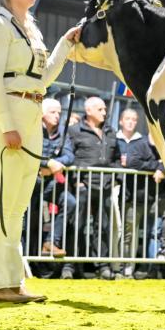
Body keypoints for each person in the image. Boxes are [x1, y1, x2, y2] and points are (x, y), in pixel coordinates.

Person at [0, 0, 79, 303]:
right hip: (7, 118)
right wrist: (7, 126)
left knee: (17, 206)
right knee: (2, 203)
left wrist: (63, 44)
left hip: (31, 113)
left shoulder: (31, 29)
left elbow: (42, 79)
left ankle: (12, 280)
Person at [69, 96, 121, 280]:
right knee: (77, 225)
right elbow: (70, 156)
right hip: (83, 185)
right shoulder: (75, 131)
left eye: (105, 109)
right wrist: (77, 180)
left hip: (105, 185)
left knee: (104, 226)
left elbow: (115, 159)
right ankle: (71, 265)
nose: (104, 113)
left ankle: (103, 265)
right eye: (100, 109)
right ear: (89, 110)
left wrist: (116, 178)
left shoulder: (110, 131)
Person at [114, 107, 165, 278]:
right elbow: (132, 162)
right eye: (127, 118)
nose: (131, 122)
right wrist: (156, 166)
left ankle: (142, 267)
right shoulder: (136, 143)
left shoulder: (155, 144)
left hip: (148, 197)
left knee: (150, 232)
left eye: (134, 119)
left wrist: (160, 165)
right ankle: (124, 266)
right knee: (129, 231)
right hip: (130, 195)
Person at [32, 98, 76, 276]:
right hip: (31, 183)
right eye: (53, 112)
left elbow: (69, 156)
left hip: (50, 184)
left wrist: (54, 164)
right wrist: (47, 162)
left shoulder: (63, 133)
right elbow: (29, 152)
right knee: (27, 221)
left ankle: (51, 241)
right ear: (42, 113)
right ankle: (23, 259)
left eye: (59, 112)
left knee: (70, 202)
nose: (57, 116)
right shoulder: (33, 129)